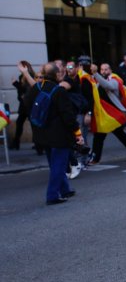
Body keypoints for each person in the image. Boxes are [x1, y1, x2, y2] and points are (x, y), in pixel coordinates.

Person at [22, 63, 82, 205]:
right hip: (59, 134)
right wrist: (77, 132)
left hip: (41, 132)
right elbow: (67, 116)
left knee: (54, 163)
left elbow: (26, 104)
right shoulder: (59, 91)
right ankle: (52, 195)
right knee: (58, 165)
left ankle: (65, 189)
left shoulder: (37, 87)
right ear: (57, 75)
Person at [89, 63, 126, 164]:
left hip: (114, 114)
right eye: (102, 70)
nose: (104, 71)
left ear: (110, 70)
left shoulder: (115, 80)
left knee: (119, 134)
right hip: (104, 114)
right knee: (98, 136)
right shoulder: (98, 81)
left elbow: (107, 85)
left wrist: (96, 74)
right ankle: (95, 158)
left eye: (106, 69)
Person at [10, 61, 36, 151]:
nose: (18, 68)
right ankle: (16, 143)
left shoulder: (31, 76)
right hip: (23, 105)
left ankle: (39, 145)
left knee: (34, 124)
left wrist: (16, 84)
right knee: (19, 123)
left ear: (25, 67)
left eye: (19, 66)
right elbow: (22, 92)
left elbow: (28, 90)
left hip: (30, 105)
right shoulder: (21, 77)